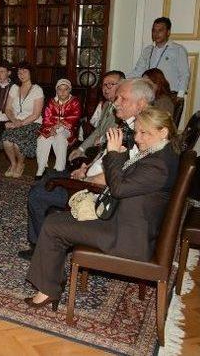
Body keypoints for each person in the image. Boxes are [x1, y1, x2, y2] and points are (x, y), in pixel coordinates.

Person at [24, 106, 179, 309]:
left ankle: (47, 290)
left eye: (144, 133)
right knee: (56, 220)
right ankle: (51, 282)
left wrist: (114, 154)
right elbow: (126, 180)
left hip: (127, 238)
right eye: (137, 132)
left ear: (163, 132)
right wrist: (121, 156)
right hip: (125, 222)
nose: (138, 138)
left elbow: (119, 188)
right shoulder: (160, 153)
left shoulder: (159, 165)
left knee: (54, 227)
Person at [19, 78, 154, 260]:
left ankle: (41, 249)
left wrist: (84, 180)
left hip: (95, 192)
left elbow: (115, 178)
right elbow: (109, 157)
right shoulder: (130, 126)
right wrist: (87, 167)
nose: (115, 102)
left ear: (141, 104)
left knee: (38, 193)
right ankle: (45, 242)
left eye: (122, 99)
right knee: (48, 177)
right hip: (90, 178)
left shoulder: (140, 135)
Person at [68, 70, 125, 163]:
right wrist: (81, 149)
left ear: (122, 86)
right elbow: (99, 130)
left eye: (110, 84)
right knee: (74, 157)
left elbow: (119, 133)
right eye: (103, 84)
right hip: (99, 147)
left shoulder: (124, 108)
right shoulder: (106, 104)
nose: (105, 88)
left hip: (112, 152)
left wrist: (102, 139)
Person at [1, 62, 44, 178]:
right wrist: (14, 120)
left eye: (24, 71)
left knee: (17, 143)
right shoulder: (14, 88)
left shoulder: (37, 90)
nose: (21, 74)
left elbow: (36, 114)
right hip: (16, 121)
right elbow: (8, 109)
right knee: (6, 141)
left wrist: (18, 124)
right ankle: (13, 164)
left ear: (31, 73)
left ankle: (20, 164)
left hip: (32, 123)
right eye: (19, 72)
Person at [130, 17, 190, 96]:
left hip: (169, 95)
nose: (156, 33)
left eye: (160, 30)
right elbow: (138, 71)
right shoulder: (147, 50)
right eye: (154, 30)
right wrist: (122, 80)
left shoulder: (178, 50)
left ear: (168, 32)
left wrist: (180, 95)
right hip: (149, 93)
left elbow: (184, 74)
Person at [36, 79, 82, 177]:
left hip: (67, 129)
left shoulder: (74, 102)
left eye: (65, 89)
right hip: (51, 127)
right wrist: (51, 128)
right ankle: (41, 167)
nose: (62, 92)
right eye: (60, 89)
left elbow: (75, 117)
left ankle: (59, 168)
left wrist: (60, 124)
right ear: (56, 90)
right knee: (42, 139)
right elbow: (47, 117)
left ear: (70, 90)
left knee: (60, 137)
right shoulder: (52, 102)